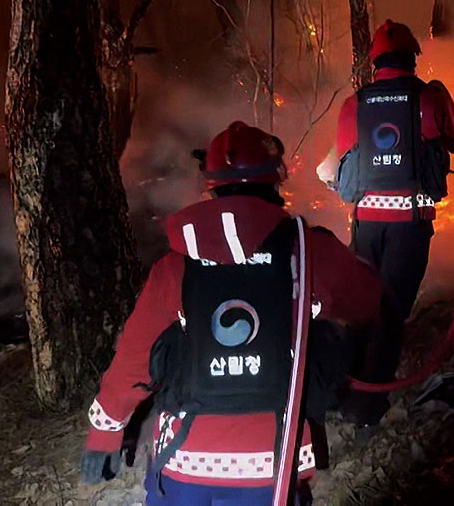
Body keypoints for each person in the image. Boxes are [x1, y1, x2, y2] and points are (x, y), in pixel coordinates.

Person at [80, 121, 380, 505]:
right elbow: (368, 299)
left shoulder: (175, 265)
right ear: (276, 181)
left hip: (184, 462)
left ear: (211, 186)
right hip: (274, 465)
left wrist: (104, 434)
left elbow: (134, 358)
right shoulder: (308, 253)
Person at [317, 20, 454, 425]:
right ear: (412, 58)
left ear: (375, 62)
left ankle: (341, 388)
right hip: (409, 227)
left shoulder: (354, 104)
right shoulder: (428, 98)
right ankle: (366, 407)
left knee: (359, 305)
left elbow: (339, 162)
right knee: (388, 313)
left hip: (365, 225)